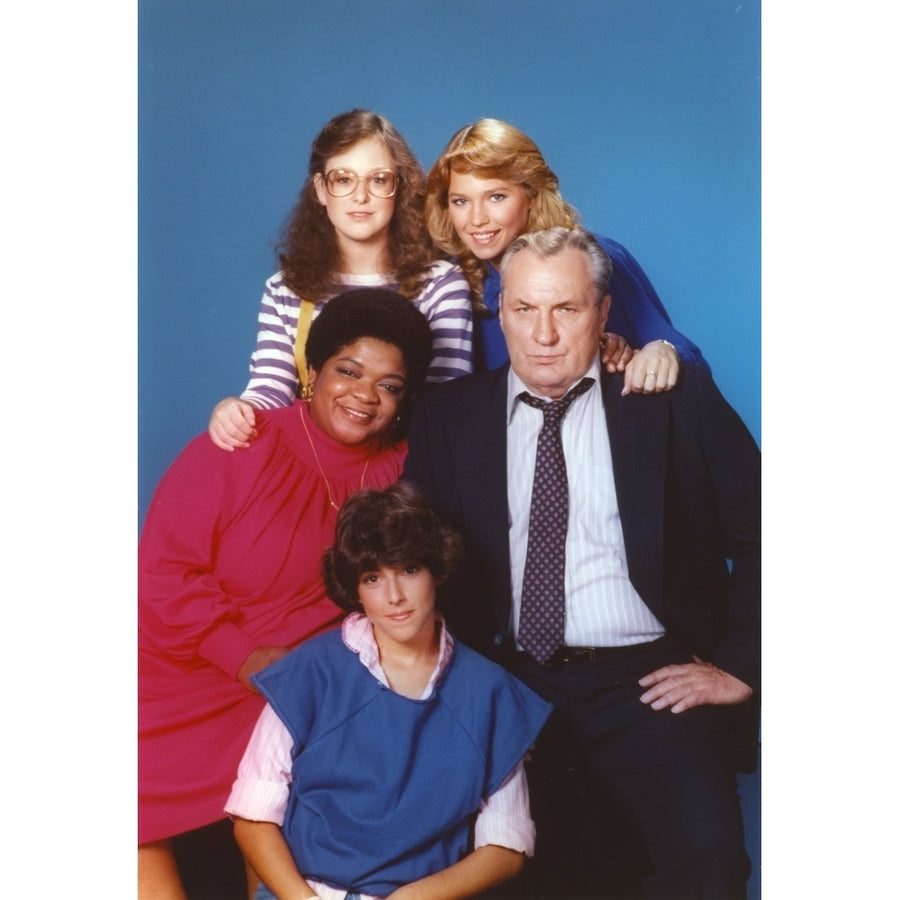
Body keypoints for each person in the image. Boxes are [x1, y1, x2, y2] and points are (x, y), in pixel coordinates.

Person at [402, 227, 760, 899]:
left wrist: (742, 664)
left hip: (646, 680)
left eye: (565, 309)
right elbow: (413, 560)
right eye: (524, 309)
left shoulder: (672, 402)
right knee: (511, 872)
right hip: (507, 681)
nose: (543, 333)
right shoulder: (447, 418)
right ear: (499, 311)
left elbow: (770, 531)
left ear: (601, 313)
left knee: (708, 863)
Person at [139, 289, 435, 899]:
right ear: (312, 371)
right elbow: (164, 572)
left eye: (390, 385)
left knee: (287, 798)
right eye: (348, 371)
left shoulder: (408, 471)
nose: (364, 395)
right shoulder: (241, 443)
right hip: (178, 668)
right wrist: (242, 658)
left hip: (285, 691)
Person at [226, 482, 553, 900]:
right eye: (373, 577)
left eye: (410, 570)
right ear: (355, 590)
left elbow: (507, 845)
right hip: (302, 893)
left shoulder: (489, 692)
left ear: (437, 570)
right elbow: (253, 816)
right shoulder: (311, 672)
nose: (395, 596)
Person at [210, 109, 474, 452]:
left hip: (407, 472)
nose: (360, 196)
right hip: (313, 466)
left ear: (400, 187)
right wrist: (234, 411)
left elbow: (446, 406)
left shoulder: (441, 284)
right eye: (344, 179)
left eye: (378, 179)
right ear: (321, 189)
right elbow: (270, 390)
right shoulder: (285, 289)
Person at [425, 117, 708, 393]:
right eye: (460, 201)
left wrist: (659, 350)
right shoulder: (454, 285)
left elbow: (684, 358)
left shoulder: (597, 259)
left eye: (496, 197)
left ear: (531, 196)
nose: (476, 219)